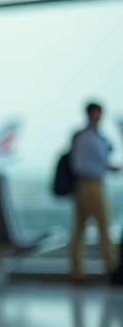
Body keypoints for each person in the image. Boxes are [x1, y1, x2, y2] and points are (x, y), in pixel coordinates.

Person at [69, 100, 118, 282]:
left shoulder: (97, 136)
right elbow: (80, 164)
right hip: (88, 184)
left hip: (90, 183)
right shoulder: (85, 137)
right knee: (104, 223)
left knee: (80, 228)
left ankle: (76, 270)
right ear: (90, 114)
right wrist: (103, 168)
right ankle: (112, 267)